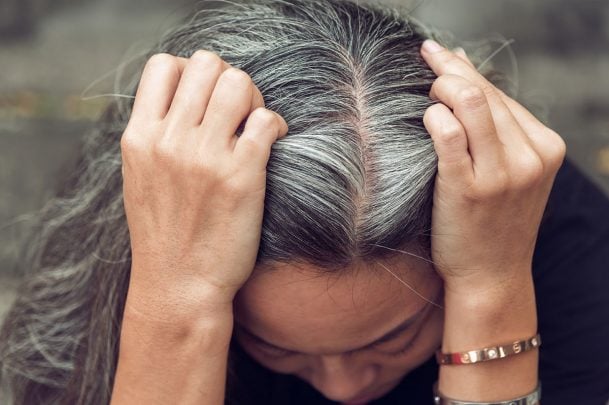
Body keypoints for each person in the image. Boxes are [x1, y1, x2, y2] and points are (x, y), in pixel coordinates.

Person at [1, 0, 608, 404]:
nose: (343, 389)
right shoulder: (125, 263)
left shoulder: (570, 253)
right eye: (274, 346)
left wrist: (491, 287)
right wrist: (175, 296)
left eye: (391, 340)